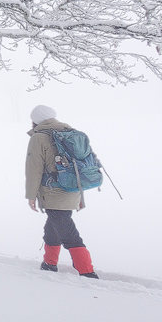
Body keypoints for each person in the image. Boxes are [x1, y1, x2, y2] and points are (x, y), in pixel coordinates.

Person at [25, 105, 98, 278]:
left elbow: (34, 168)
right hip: (72, 189)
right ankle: (49, 264)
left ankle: (87, 271)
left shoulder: (39, 137)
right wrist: (80, 196)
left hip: (53, 192)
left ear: (36, 120)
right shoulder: (71, 132)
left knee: (68, 233)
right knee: (53, 228)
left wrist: (31, 195)